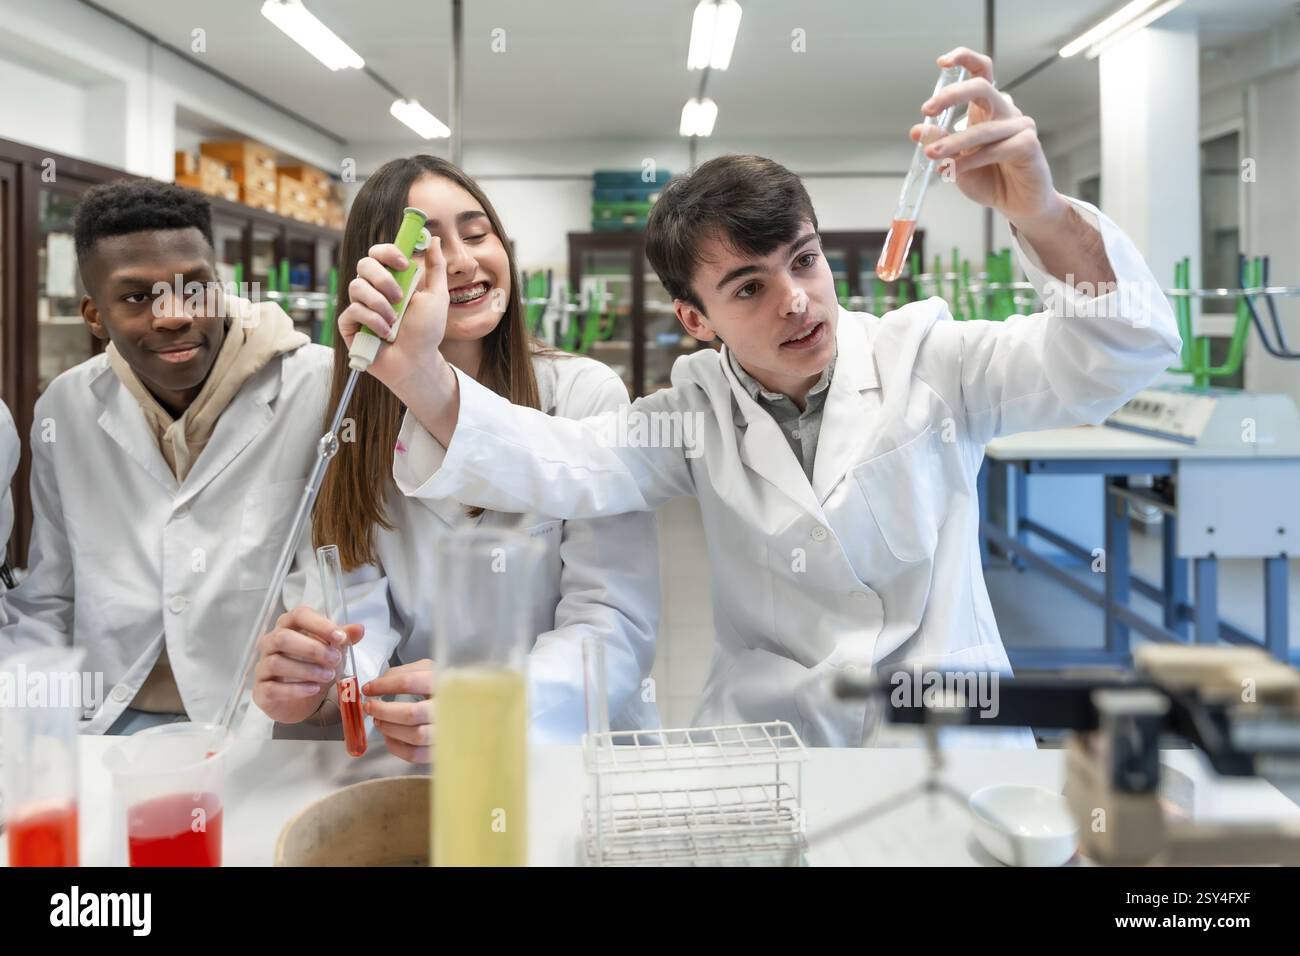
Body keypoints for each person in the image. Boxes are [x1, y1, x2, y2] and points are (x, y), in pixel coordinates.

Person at [338, 49, 1182, 748]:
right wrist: (415, 372)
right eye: (748, 287)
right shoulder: (694, 411)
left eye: (804, 259)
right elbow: (564, 461)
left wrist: (1040, 211)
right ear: (694, 319)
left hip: (948, 743)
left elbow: (1123, 354)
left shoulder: (933, 358)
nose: (796, 301)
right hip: (771, 745)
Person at [251, 156, 660, 761]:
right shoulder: (347, 412)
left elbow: (611, 624)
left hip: (560, 746)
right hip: (412, 748)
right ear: (373, 277)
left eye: (477, 233)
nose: (465, 262)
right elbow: (349, 609)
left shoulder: (582, 392)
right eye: (428, 249)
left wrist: (490, 704)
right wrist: (316, 681)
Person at [0, 179, 334, 734]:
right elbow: (50, 594)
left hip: (260, 722)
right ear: (93, 315)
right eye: (135, 297)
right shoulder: (66, 406)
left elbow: (332, 582)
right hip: (109, 719)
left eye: (194, 288)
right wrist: (34, 732)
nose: (174, 315)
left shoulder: (316, 385)